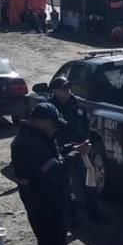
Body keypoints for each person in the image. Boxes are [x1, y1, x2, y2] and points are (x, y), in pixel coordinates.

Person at [12, 103, 86, 245]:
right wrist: (74, 157)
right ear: (42, 121)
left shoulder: (36, 137)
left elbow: (52, 159)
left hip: (51, 202)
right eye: (53, 125)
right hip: (44, 205)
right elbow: (48, 170)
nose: (55, 129)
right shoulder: (27, 143)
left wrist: (70, 149)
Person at [48, 77, 99, 224]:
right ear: (55, 90)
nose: (67, 91)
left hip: (82, 149)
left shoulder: (78, 103)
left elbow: (86, 125)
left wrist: (87, 142)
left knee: (88, 182)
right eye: (63, 88)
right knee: (66, 186)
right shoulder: (50, 108)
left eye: (68, 87)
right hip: (61, 152)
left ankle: (93, 213)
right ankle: (72, 217)